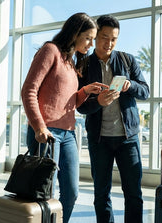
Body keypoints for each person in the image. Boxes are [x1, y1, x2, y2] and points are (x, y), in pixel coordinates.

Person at [21, 12, 108, 223]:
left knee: (71, 192)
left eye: (92, 39)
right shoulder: (50, 51)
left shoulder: (71, 62)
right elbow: (28, 91)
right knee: (44, 195)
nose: (90, 44)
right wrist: (39, 127)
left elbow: (68, 101)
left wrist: (85, 91)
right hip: (46, 134)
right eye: (88, 37)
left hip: (68, 134)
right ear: (75, 32)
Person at [77, 14, 150, 223]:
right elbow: (80, 106)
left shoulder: (128, 60)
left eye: (114, 39)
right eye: (104, 37)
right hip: (99, 140)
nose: (108, 43)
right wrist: (98, 101)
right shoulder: (84, 65)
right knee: (101, 194)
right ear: (95, 36)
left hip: (128, 138)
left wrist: (130, 85)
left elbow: (145, 91)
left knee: (134, 194)